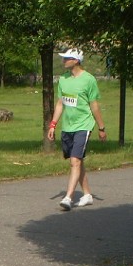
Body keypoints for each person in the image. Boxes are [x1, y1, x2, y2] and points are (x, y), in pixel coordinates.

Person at [46, 48, 106, 211]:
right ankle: (87, 195)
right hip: (68, 126)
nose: (64, 60)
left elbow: (94, 105)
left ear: (77, 61)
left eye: (67, 58)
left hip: (83, 125)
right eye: (63, 58)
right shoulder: (63, 79)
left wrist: (101, 127)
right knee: (77, 161)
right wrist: (53, 125)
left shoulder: (89, 80)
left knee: (75, 161)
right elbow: (60, 103)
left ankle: (68, 197)